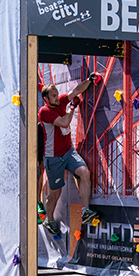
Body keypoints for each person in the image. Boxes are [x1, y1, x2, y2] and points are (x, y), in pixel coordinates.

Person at [38, 73, 101, 236]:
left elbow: (76, 91)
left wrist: (89, 80)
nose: (57, 98)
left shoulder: (60, 101)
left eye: (57, 94)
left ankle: (85, 212)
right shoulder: (44, 112)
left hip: (68, 151)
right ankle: (49, 219)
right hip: (53, 158)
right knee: (55, 193)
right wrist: (72, 107)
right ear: (46, 99)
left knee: (84, 173)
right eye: (53, 96)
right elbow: (65, 122)